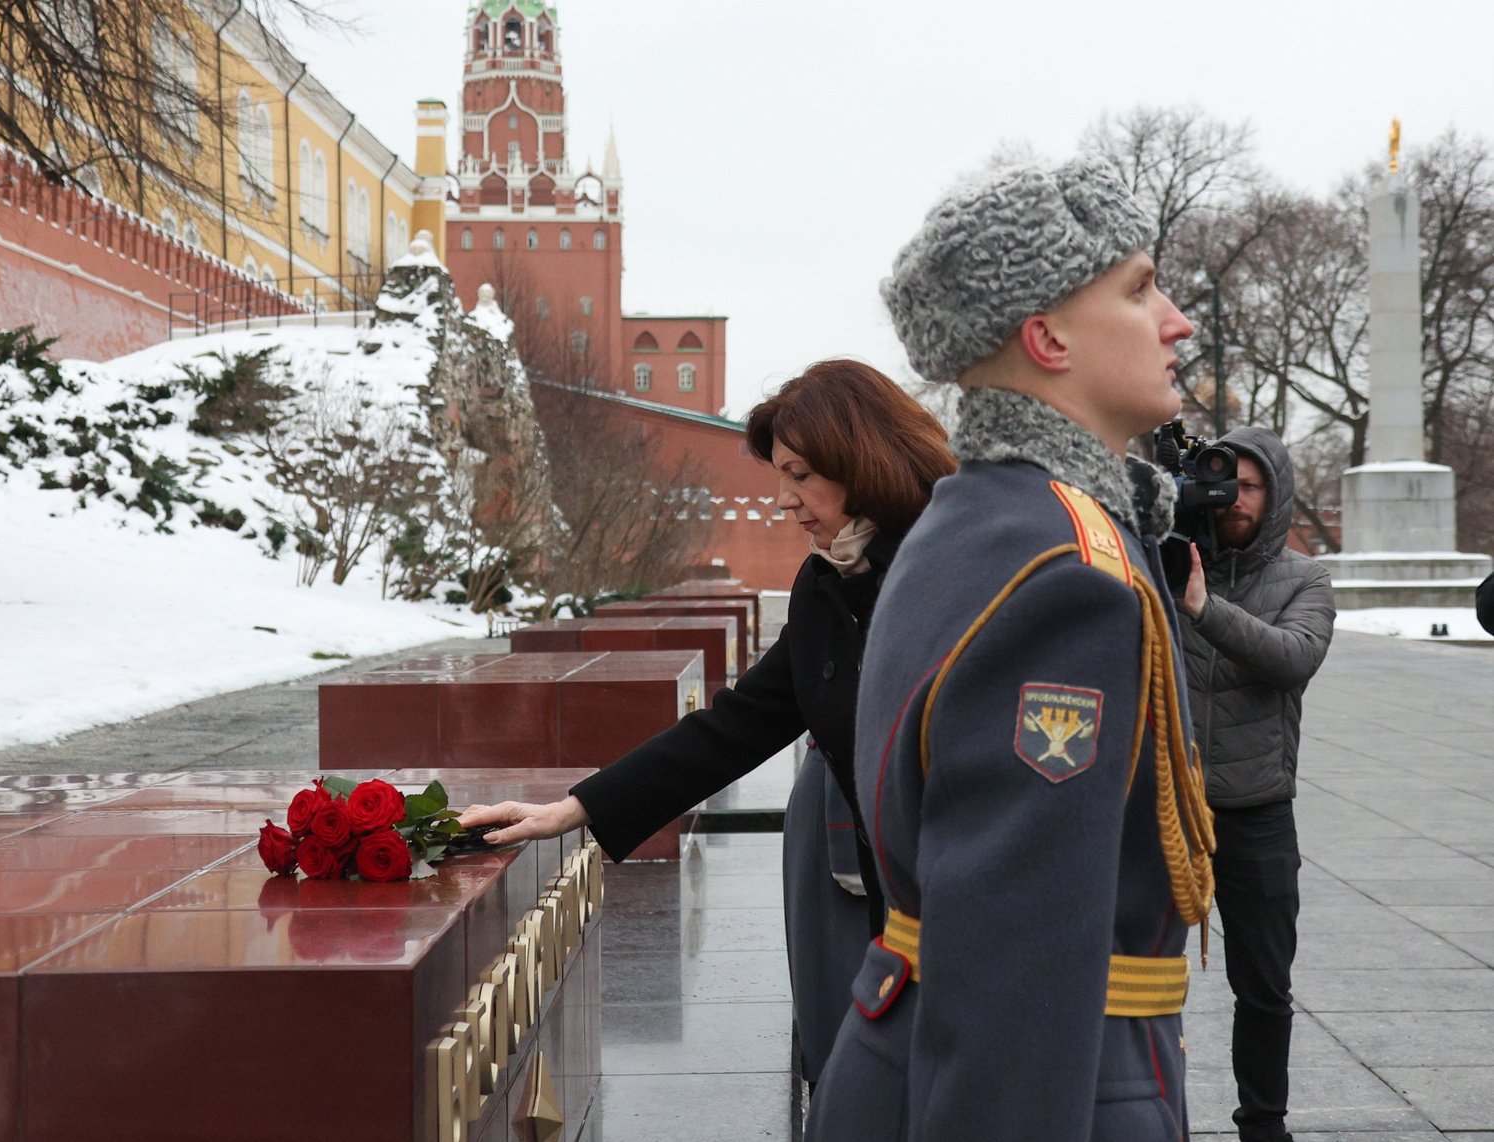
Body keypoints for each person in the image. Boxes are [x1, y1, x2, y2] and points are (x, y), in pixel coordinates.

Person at [807, 156, 1217, 1140]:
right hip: (1054, 1084)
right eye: (1138, 289)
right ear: (1046, 338)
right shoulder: (1065, 574)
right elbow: (1014, 967)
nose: (1176, 321)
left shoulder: (985, 518)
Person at [459, 358, 957, 1080]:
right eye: (780, 477)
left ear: (862, 460)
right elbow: (737, 724)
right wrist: (572, 810)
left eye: (800, 475)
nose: (784, 500)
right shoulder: (828, 585)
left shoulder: (955, 569)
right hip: (902, 920)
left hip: (979, 915)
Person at [1177, 427, 1336, 1142]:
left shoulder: (1305, 579)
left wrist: (1203, 608)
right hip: (1167, 804)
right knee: (1137, 974)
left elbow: (1293, 658)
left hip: (1258, 809)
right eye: (1223, 485)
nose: (1234, 499)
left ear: (1276, 494)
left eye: (1250, 486)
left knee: (1265, 986)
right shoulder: (1168, 562)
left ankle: (1264, 1126)